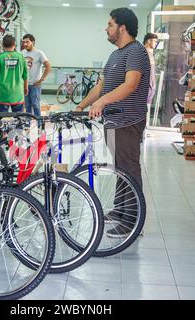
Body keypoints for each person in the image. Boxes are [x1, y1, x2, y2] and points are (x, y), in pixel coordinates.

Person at [75, 8, 151, 237]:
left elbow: (131, 84)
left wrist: (103, 102)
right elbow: (101, 86)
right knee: (120, 168)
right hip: (113, 120)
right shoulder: (116, 54)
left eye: (109, 25)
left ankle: (132, 222)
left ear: (122, 28)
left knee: (129, 168)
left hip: (128, 120)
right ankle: (120, 210)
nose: (106, 29)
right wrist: (81, 106)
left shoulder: (136, 52)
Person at [0, 34, 28, 112]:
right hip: (17, 94)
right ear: (14, 44)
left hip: (2, 94)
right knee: (19, 119)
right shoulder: (21, 57)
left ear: (3, 45)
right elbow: (25, 76)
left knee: (1, 121)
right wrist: (25, 88)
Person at [22, 34, 52, 116]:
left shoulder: (39, 53)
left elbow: (48, 66)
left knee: (35, 105)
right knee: (27, 106)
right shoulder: (22, 53)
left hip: (35, 85)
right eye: (23, 42)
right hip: (25, 84)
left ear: (33, 42)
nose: (25, 44)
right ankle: (27, 125)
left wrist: (41, 80)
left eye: (27, 42)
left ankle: (39, 124)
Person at [143, 33, 158, 120]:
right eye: (155, 41)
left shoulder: (150, 54)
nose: (156, 43)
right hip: (144, 89)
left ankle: (144, 131)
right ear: (149, 41)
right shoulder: (142, 53)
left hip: (150, 88)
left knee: (144, 112)